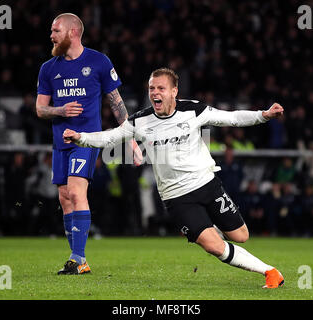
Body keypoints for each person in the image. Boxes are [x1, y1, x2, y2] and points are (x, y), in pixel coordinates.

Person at [63, 67, 285, 288]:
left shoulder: (194, 110)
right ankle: (270, 272)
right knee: (214, 246)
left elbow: (232, 118)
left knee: (241, 236)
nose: (155, 93)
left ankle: (212, 230)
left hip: (207, 185)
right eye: (151, 88)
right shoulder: (139, 121)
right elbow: (109, 137)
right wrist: (80, 137)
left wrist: (263, 115)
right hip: (177, 197)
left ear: (174, 91)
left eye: (161, 88)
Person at [36, 13, 141, 275]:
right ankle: (76, 259)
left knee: (74, 191)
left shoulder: (98, 61)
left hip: (86, 139)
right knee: (64, 197)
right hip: (61, 142)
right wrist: (60, 111)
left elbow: (116, 102)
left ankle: (78, 258)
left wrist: (130, 139)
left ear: (73, 32)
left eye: (56, 30)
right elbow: (40, 109)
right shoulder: (48, 68)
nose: (51, 35)